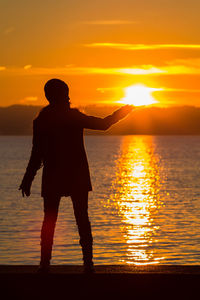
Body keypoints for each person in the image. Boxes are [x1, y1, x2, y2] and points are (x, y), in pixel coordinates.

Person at [19, 78, 133, 273]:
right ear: (62, 95)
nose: (69, 96)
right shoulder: (70, 118)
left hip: (57, 174)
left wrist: (28, 179)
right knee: (80, 218)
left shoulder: (42, 121)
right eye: (66, 92)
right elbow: (104, 124)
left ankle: (45, 264)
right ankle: (87, 264)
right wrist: (124, 111)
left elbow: (36, 153)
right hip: (75, 174)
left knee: (51, 219)